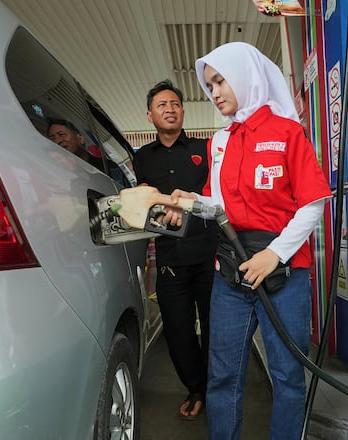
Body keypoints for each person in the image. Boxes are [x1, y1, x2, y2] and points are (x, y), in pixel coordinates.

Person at [170, 42, 332, 439]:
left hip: (283, 273)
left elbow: (314, 204)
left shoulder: (288, 132)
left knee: (288, 376)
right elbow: (219, 206)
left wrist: (274, 255)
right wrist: (193, 203)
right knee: (222, 376)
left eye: (221, 80)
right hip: (231, 271)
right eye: (210, 85)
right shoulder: (219, 142)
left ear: (246, 76)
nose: (215, 92)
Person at [132, 80, 218, 421]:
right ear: (150, 116)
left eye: (176, 103)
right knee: (178, 331)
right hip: (169, 259)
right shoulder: (142, 159)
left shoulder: (206, 149)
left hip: (210, 255)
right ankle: (195, 387)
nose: (170, 108)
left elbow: (216, 196)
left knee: (216, 327)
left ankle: (215, 388)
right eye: (162, 105)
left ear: (183, 110)